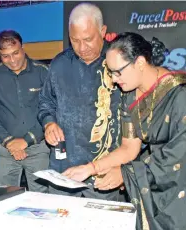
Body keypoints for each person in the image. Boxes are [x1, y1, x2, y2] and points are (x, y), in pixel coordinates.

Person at [64, 32, 186, 230]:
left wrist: (126, 174)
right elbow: (129, 148)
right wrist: (91, 168)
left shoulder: (184, 96)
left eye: (117, 72)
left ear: (139, 63)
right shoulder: (130, 96)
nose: (113, 80)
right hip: (155, 175)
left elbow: (181, 157)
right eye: (110, 72)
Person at [38, 2, 123, 200]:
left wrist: (123, 168)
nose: (82, 48)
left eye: (88, 39)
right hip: (65, 166)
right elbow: (45, 102)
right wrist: (49, 123)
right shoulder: (59, 64)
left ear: (103, 31)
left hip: (104, 169)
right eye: (74, 40)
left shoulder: (119, 62)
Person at [0, 30, 50, 193]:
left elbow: (51, 111)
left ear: (23, 48)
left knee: (41, 199)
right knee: (7, 196)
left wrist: (26, 140)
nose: (12, 60)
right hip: (6, 150)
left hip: (38, 149)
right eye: (5, 56)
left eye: (16, 53)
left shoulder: (43, 71)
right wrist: (10, 142)